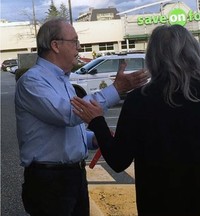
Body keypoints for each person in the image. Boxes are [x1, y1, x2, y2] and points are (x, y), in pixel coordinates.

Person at [71, 25, 200, 216]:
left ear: (152, 58)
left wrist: (97, 122)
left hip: (159, 204)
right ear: (194, 54)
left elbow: (119, 160)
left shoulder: (139, 101)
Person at [14, 17, 149, 216]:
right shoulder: (32, 81)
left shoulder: (63, 80)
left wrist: (93, 139)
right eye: (74, 41)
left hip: (73, 175)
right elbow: (69, 115)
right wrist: (116, 89)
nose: (79, 47)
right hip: (49, 181)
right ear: (56, 45)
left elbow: (68, 128)